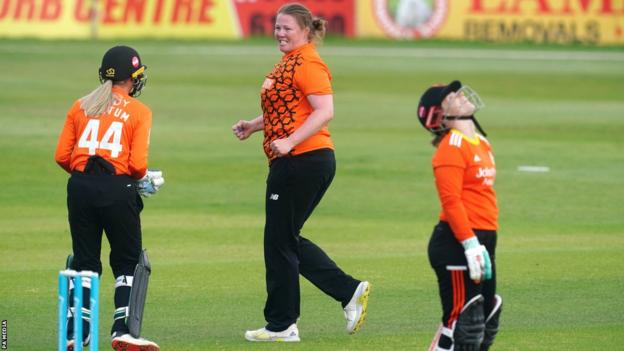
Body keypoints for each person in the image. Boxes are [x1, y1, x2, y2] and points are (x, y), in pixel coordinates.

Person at [232, 3, 371, 342]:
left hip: (302, 159)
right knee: (283, 238)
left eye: (287, 28)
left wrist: (289, 141)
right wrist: (255, 125)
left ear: (306, 31)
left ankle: (283, 324)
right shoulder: (290, 61)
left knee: (280, 240)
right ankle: (343, 293)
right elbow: (291, 108)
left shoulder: (308, 62)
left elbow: (325, 111)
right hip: (296, 159)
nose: (280, 33)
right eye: (277, 27)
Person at [55, 45, 163, 351]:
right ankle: (124, 331)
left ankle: (78, 333)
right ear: (132, 79)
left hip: (79, 188)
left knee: (85, 261)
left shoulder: (81, 106)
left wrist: (87, 176)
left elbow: (62, 155)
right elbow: (138, 165)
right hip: (117, 190)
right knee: (128, 262)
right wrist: (141, 181)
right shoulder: (139, 111)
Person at [416, 81, 502, 351]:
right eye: (452, 96)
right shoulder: (450, 148)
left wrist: (481, 243)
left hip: (484, 238)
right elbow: (451, 201)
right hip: (456, 243)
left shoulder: (481, 142)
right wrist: (469, 242)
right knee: (461, 324)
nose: (462, 96)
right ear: (441, 116)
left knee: (485, 321)